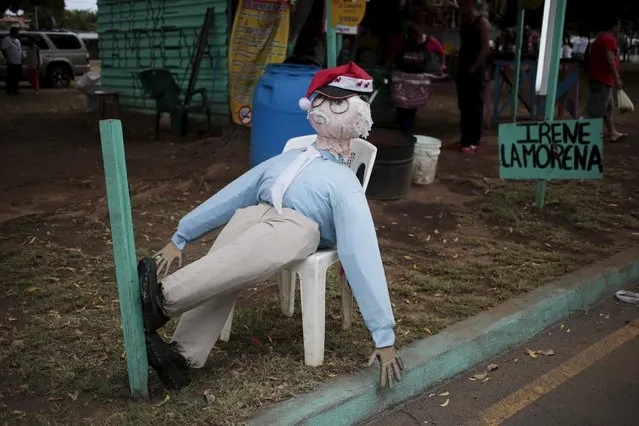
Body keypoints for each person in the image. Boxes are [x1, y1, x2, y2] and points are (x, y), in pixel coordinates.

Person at [138, 62, 404, 391]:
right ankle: (182, 357)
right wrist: (182, 235)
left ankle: (163, 300)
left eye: (337, 104)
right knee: (225, 262)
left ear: (358, 114)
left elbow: (361, 252)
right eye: (320, 100)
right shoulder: (286, 159)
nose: (324, 109)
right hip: (259, 212)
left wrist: (384, 335)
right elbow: (235, 193)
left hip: (301, 227)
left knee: (246, 254)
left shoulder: (343, 183)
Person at [391, 25, 444, 138]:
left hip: (418, 83)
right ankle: (405, 132)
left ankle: (407, 131)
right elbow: (390, 51)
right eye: (412, 38)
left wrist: (442, 66)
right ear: (408, 36)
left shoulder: (429, 41)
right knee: (402, 107)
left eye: (417, 38)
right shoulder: (400, 40)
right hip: (402, 81)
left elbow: (441, 51)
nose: (415, 40)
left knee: (412, 108)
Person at [584, 16, 626, 142]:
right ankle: (584, 133)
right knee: (596, 109)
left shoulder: (600, 39)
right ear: (614, 26)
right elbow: (610, 59)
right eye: (618, 26)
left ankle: (612, 132)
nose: (619, 28)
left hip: (600, 78)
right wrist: (617, 77)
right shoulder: (609, 39)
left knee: (607, 108)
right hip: (603, 80)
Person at [456, 0, 491, 154]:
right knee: (463, 104)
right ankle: (465, 138)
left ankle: (474, 141)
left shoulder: (481, 22)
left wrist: (474, 66)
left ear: (470, 4)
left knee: (475, 104)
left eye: (463, 4)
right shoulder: (464, 22)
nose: (461, 7)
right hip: (463, 67)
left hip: (476, 69)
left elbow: (485, 48)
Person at [1, 27, 24, 95]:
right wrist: (8, 59)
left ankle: (15, 89)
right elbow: (4, 50)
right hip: (11, 61)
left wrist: (22, 57)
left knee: (17, 77)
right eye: (16, 32)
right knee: (10, 76)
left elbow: (19, 50)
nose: (17, 34)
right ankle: (9, 89)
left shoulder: (17, 40)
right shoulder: (6, 40)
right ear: (12, 32)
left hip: (18, 61)